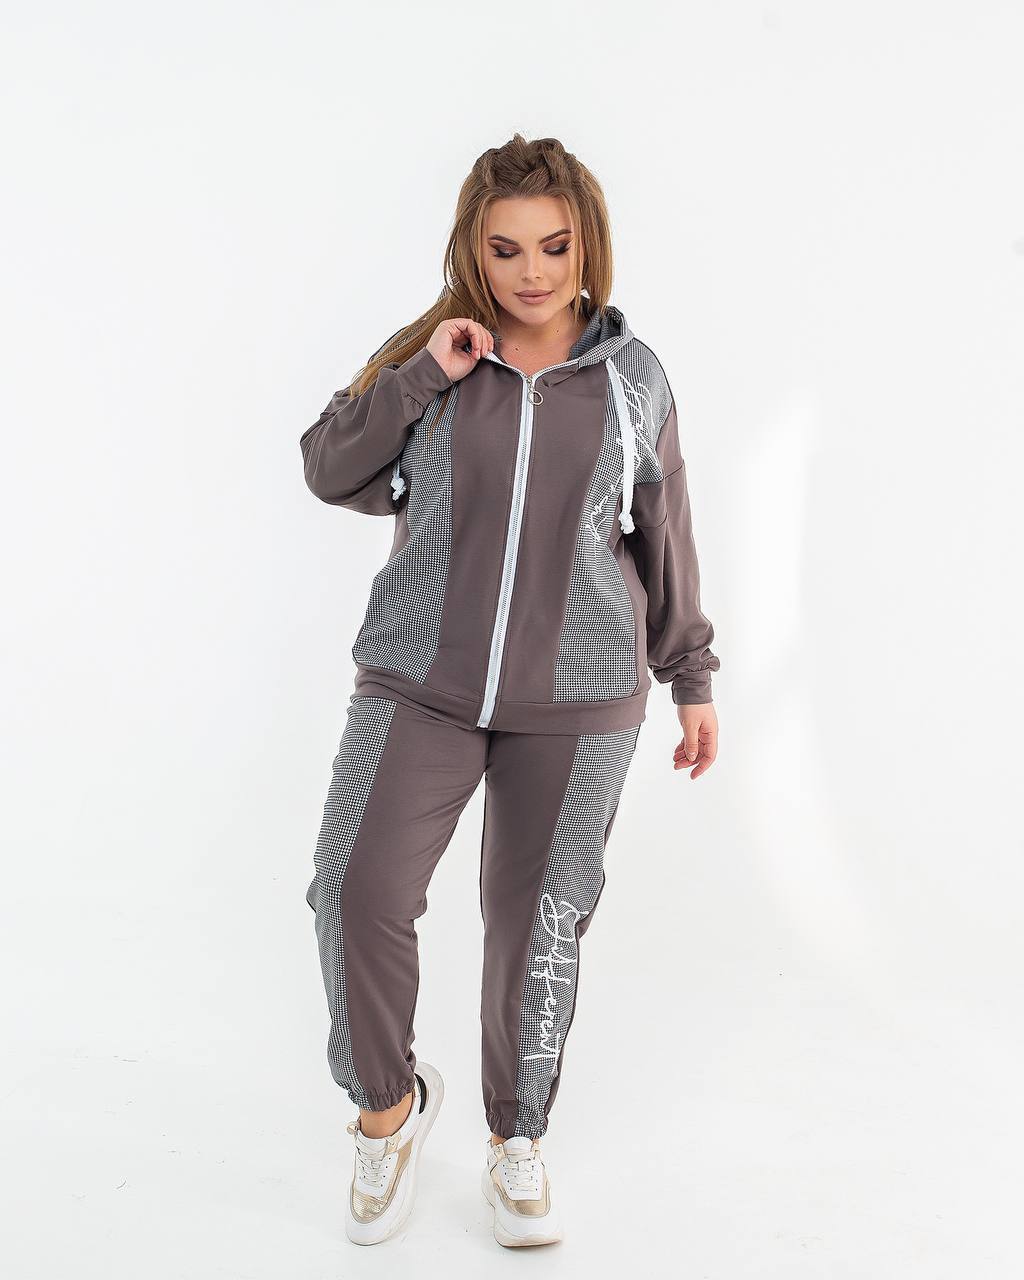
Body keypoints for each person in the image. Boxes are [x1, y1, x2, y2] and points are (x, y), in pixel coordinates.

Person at [299, 132, 720, 1248]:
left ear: (587, 246)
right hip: (418, 679)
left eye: (554, 246)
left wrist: (689, 673)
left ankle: (516, 1135)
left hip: (580, 694)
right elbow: (328, 467)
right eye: (505, 249)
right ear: (471, 252)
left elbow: (663, 529)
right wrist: (423, 375)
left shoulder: (633, 378)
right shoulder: (436, 356)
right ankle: (388, 1110)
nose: (532, 272)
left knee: (538, 924)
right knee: (353, 889)